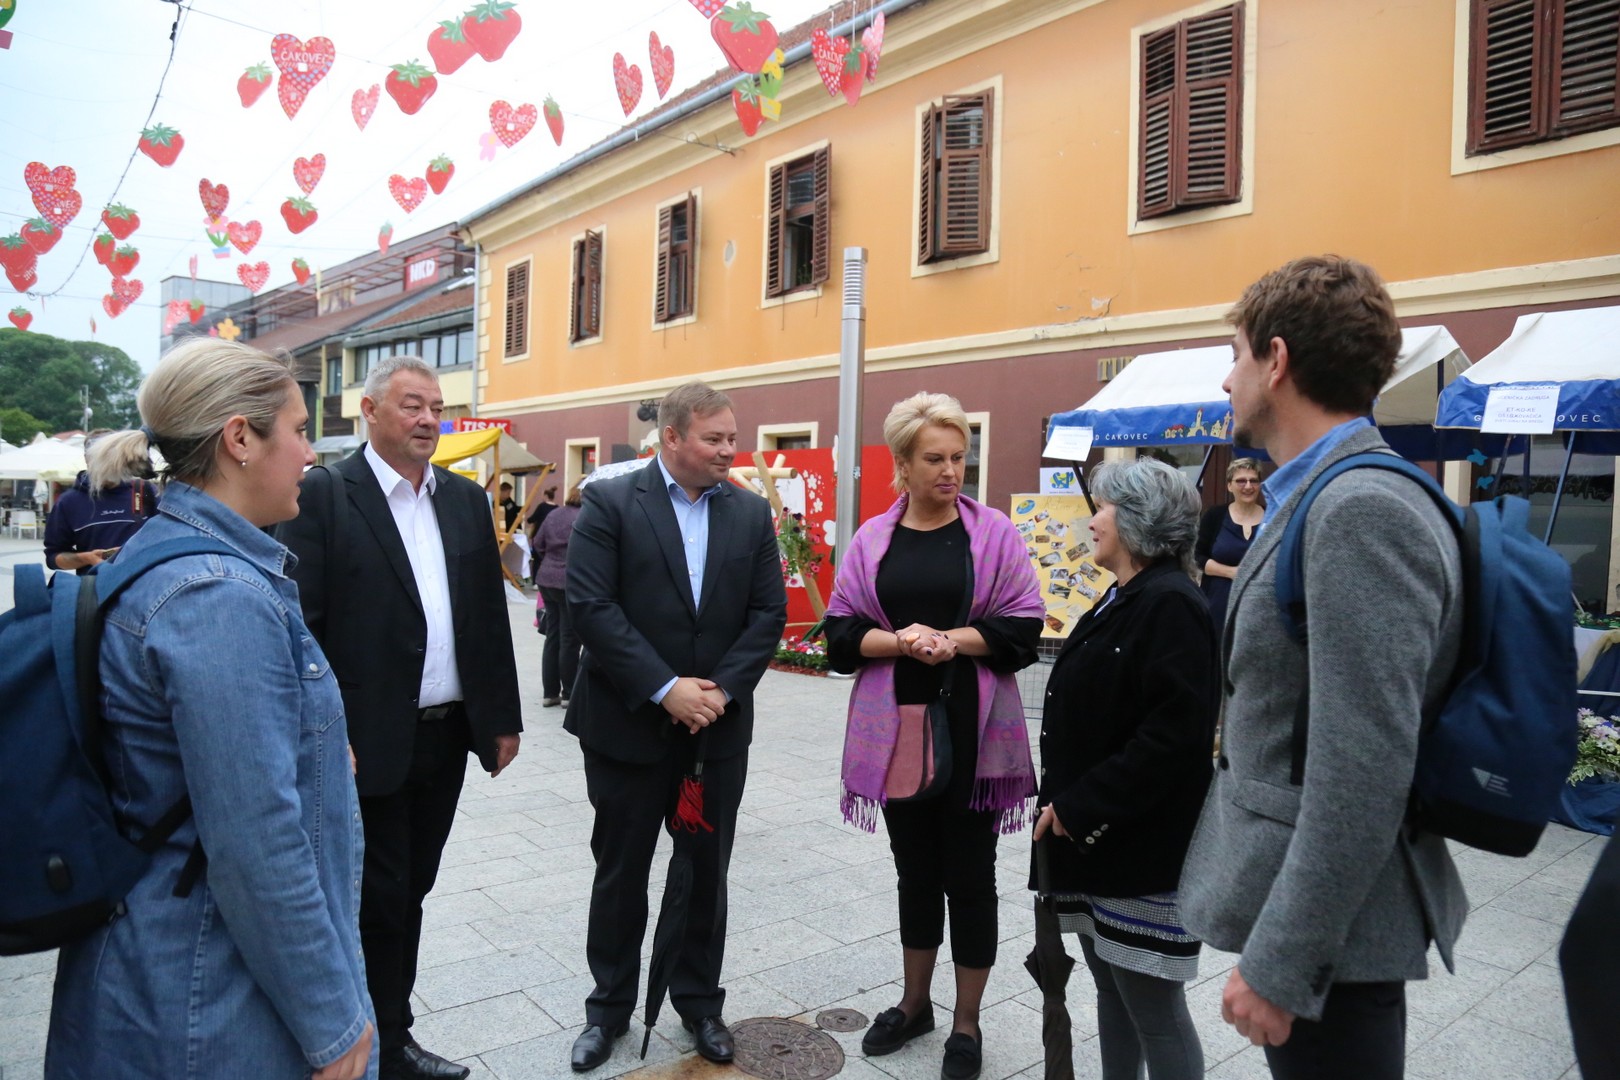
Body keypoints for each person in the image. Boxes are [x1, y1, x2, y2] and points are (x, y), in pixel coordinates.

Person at [46, 339, 376, 1079]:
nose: (310, 453)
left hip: (164, 952)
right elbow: (254, 840)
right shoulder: (216, 595)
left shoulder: (168, 552)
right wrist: (330, 1018)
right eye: (297, 430)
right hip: (207, 984)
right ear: (239, 439)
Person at [1178, 255, 1467, 1080]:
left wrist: (1281, 964)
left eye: (1234, 353)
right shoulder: (1318, 494)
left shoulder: (1360, 509)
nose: (1226, 375)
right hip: (1325, 919)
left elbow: (1366, 768)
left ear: (1276, 360)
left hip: (1340, 942)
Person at [280, 355, 523, 1080]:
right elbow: (302, 627)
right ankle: (374, 1041)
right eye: (412, 405)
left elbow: (485, 617)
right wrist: (327, 735)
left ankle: (384, 1031)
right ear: (371, 411)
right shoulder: (326, 494)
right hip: (364, 742)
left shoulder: (459, 498)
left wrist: (500, 717)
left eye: (436, 407)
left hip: (445, 737)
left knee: (411, 887)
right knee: (375, 897)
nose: (427, 420)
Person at [564, 382, 786, 1072]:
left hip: (714, 731)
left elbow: (767, 614)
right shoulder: (610, 502)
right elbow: (591, 606)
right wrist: (665, 690)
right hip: (628, 728)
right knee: (621, 870)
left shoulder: (749, 514)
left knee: (704, 873)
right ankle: (608, 1011)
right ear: (671, 439)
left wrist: (716, 691)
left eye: (732, 436)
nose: (730, 450)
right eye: (715, 438)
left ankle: (699, 1004)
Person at [825, 391, 1044, 1080]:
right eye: (935, 458)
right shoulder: (872, 539)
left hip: (973, 730)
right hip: (896, 733)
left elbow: (1022, 628)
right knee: (914, 875)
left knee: (971, 880)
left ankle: (967, 1023)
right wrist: (900, 641)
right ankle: (915, 1003)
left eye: (959, 457)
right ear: (903, 464)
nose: (951, 470)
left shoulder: (993, 534)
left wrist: (950, 640)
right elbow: (838, 635)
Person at [1030, 457, 1216, 1080]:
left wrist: (1080, 805)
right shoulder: (1126, 594)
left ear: (1137, 521)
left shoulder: (1171, 604)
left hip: (1139, 854)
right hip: (1097, 846)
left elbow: (1173, 739)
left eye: (1105, 508)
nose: (1094, 519)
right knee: (1112, 989)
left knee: (1155, 1011)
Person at [42, 429, 160, 574]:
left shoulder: (144, 492)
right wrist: (87, 558)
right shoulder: (68, 502)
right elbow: (53, 558)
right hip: (95, 589)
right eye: (101, 457)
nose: (108, 463)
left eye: (112, 456)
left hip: (143, 587)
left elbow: (169, 536)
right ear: (87, 459)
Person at [1194, 457, 1263, 628]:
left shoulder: (1273, 516)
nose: (1248, 486)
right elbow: (1197, 556)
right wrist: (1231, 572)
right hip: (1219, 605)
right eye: (1241, 481)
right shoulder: (1215, 516)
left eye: (1253, 480)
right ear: (1229, 485)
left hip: (1260, 606)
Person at [536, 482, 584, 707]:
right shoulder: (585, 516)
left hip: (546, 578)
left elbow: (538, 543)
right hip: (570, 581)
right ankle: (569, 693)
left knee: (552, 635)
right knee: (569, 638)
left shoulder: (554, 514)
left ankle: (549, 692)